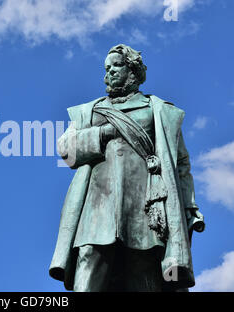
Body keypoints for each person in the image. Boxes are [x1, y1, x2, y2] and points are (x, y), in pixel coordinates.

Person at [49, 44, 205, 292]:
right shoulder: (91, 110)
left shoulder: (159, 110)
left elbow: (181, 164)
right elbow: (67, 150)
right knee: (89, 259)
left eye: (115, 66)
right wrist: (104, 132)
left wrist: (189, 205)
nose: (108, 73)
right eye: (106, 69)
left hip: (145, 208)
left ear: (132, 70)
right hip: (97, 205)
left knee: (143, 269)